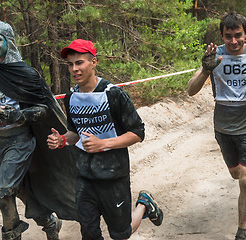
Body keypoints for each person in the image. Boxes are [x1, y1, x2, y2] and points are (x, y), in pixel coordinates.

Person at [0, 20, 77, 240]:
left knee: (4, 191)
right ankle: (49, 221)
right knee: (20, 191)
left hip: (20, 140)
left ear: (8, 42)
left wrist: (20, 116)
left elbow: (43, 108)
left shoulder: (25, 73)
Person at [47, 39, 163, 239]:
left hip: (113, 176)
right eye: (70, 64)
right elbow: (76, 132)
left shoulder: (113, 94)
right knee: (89, 234)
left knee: (121, 233)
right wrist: (63, 140)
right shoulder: (70, 97)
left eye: (80, 62)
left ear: (93, 62)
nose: (74, 69)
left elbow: (138, 132)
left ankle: (144, 203)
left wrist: (103, 144)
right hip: (84, 176)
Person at [187, 13, 246, 240]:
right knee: (237, 174)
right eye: (228, 37)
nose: (234, 41)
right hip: (223, 128)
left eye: (238, 36)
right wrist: (206, 69)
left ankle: (241, 232)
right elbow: (191, 89)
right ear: (221, 36)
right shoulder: (214, 55)